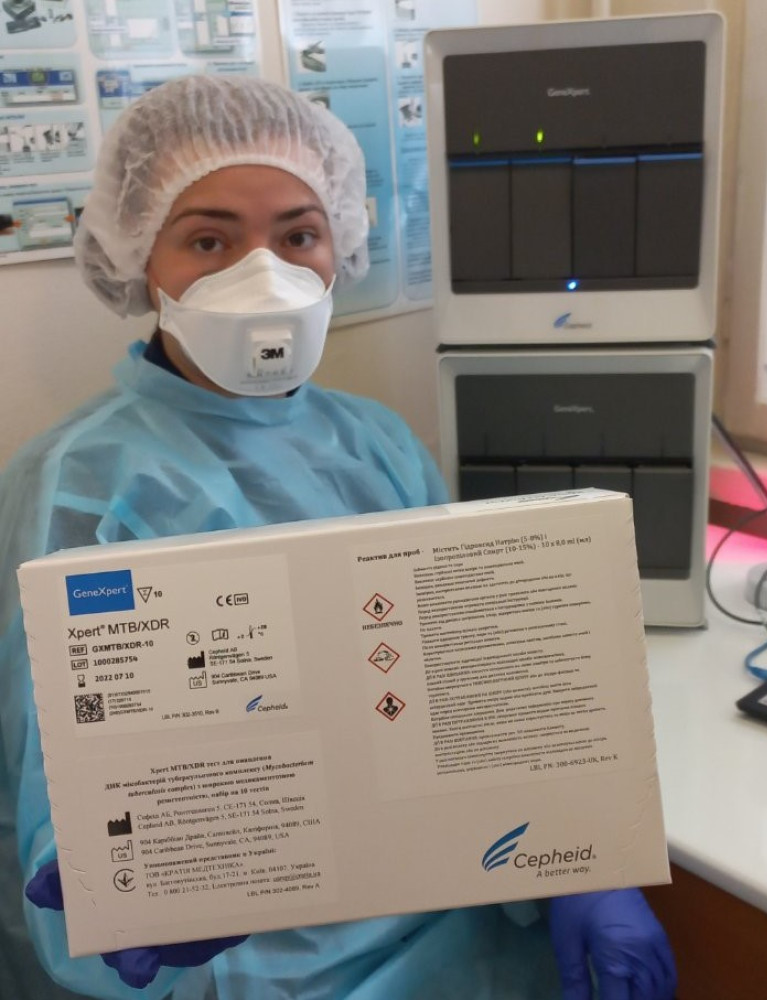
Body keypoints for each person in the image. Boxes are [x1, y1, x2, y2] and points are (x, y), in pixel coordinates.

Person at [0, 75, 676, 1000]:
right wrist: (107, 890)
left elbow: (470, 694)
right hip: (255, 963)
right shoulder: (79, 484)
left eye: (297, 236)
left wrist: (582, 861)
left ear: (338, 248)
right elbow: (56, 777)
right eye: (209, 241)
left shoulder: (378, 442)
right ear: (139, 259)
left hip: (446, 909)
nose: (263, 275)